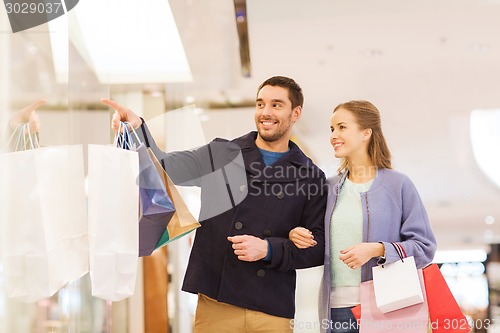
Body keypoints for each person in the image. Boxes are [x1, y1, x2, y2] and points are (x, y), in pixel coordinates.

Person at [102, 76, 327, 332]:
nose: (265, 112)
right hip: (217, 302)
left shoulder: (310, 176)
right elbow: (165, 169)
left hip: (272, 306)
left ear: (295, 113)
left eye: (276, 105)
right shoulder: (222, 153)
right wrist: (138, 128)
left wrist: (268, 249)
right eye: (260, 103)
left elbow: (318, 248)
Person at [289, 100, 437, 333]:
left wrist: (378, 249)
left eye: (342, 127)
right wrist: (296, 233)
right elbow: (315, 239)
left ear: (366, 133)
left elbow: (424, 247)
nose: (333, 135)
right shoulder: (329, 188)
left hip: (388, 306)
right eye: (331, 129)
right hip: (336, 309)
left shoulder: (398, 185)